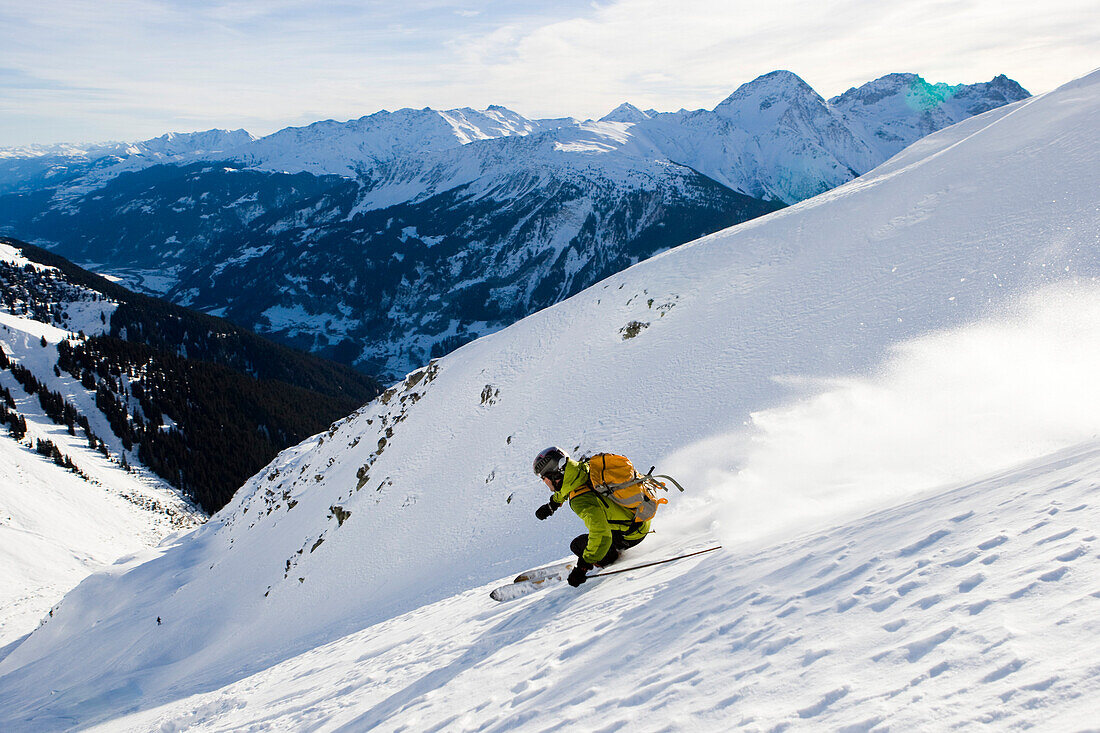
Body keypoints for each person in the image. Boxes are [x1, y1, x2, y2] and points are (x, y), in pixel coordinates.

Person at [533, 446, 650, 587]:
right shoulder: (583, 468)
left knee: (577, 545)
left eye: (544, 478)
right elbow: (569, 486)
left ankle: (612, 557)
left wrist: (583, 566)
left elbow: (601, 534)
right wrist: (552, 505)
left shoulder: (581, 500)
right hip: (640, 517)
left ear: (555, 474)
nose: (544, 482)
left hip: (630, 534)